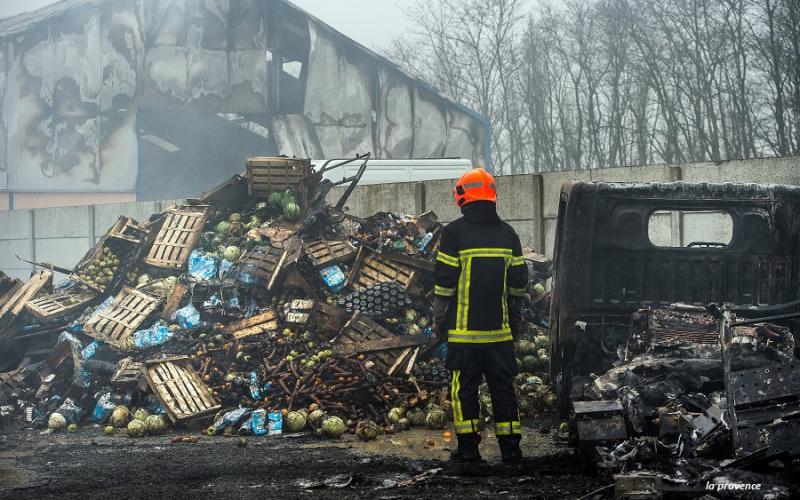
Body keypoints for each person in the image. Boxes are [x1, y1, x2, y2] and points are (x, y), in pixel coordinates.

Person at [432, 167, 528, 464]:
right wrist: (514, 319)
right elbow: (518, 283)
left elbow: (444, 282)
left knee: (464, 390)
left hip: (464, 336)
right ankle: (511, 450)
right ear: (491, 196)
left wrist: (438, 320)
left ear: (462, 196)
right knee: (503, 389)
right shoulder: (508, 234)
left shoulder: (454, 233)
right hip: (499, 335)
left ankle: (469, 450)